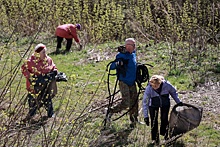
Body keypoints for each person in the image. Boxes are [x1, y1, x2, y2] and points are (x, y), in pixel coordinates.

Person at [21, 43, 58, 122]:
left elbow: (53, 67)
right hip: (34, 86)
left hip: (45, 84)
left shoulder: (48, 59)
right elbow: (24, 69)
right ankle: (31, 115)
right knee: (33, 100)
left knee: (47, 98)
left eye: (45, 52)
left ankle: (50, 114)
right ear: (37, 53)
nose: (45, 54)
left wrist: (55, 71)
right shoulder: (30, 61)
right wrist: (31, 77)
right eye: (43, 52)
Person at [142, 75, 183, 145]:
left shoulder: (167, 85)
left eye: (156, 86)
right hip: (153, 105)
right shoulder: (149, 89)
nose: (154, 88)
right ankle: (155, 139)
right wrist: (146, 116)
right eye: (153, 86)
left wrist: (178, 102)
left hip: (165, 103)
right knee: (154, 121)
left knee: (164, 119)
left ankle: (165, 135)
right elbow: (145, 102)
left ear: (160, 83)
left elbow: (173, 92)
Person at [107, 38, 138, 128]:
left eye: (132, 45)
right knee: (126, 102)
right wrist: (118, 64)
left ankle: (134, 120)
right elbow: (111, 67)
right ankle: (111, 111)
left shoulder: (133, 54)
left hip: (132, 81)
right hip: (124, 81)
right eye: (128, 45)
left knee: (134, 101)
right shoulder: (121, 55)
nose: (130, 47)